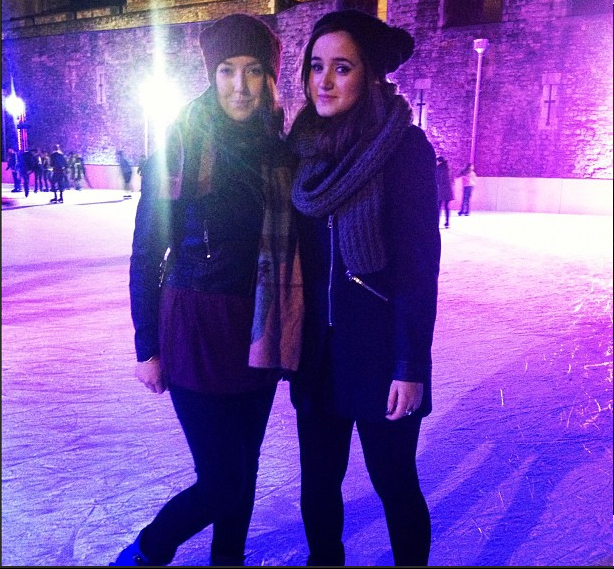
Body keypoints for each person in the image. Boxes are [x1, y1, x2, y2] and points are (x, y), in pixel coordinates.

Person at [111, 13, 303, 567]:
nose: (239, 85)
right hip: (194, 325)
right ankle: (149, 550)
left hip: (259, 327)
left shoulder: (280, 155)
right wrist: (147, 345)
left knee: (245, 469)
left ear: (270, 79)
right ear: (210, 75)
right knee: (223, 480)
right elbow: (147, 253)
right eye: (226, 70)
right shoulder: (180, 149)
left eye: (253, 71)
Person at [287, 9, 440, 567]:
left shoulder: (404, 149)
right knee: (318, 486)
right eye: (316, 66)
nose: (324, 82)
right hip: (318, 356)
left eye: (342, 67)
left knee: (395, 485)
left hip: (380, 355)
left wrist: (409, 365)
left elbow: (419, 267)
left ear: (371, 75)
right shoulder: (301, 150)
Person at [435, 155, 454, 228]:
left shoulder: (439, 168)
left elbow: (438, 179)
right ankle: (447, 222)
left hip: (441, 189)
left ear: (439, 161)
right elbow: (452, 179)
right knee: (446, 206)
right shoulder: (448, 168)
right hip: (448, 190)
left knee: (439, 206)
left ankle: (437, 221)